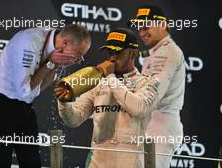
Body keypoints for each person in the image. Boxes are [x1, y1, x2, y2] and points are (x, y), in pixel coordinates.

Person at [0, 24, 91, 168]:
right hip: (0, 100)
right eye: (79, 54)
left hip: (23, 103)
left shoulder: (55, 46)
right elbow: (25, 91)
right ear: (65, 43)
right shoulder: (29, 42)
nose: (80, 60)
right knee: (0, 162)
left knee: (32, 162)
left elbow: (39, 89)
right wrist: (50, 64)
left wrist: (55, 65)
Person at [55, 28, 161, 168]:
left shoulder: (149, 82)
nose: (112, 58)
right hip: (97, 163)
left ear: (133, 54)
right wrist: (64, 101)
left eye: (118, 52)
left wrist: (110, 77)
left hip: (130, 163)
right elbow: (74, 119)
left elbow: (138, 109)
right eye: (110, 52)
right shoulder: (97, 82)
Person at [129, 5, 186, 168]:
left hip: (160, 127)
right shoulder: (158, 51)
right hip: (152, 125)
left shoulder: (167, 52)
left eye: (146, 26)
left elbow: (151, 95)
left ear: (162, 24)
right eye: (140, 28)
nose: (142, 32)